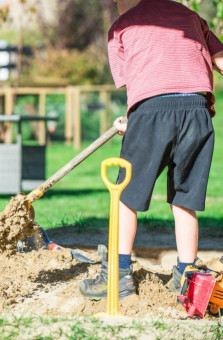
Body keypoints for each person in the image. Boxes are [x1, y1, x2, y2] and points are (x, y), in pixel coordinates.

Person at [80, 0, 223, 300]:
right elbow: (220, 59)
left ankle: (117, 277)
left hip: (152, 113)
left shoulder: (121, 26)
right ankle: (187, 275)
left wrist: (133, 122)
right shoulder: (190, 16)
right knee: (185, 198)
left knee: (125, 194)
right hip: (196, 110)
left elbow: (143, 85)